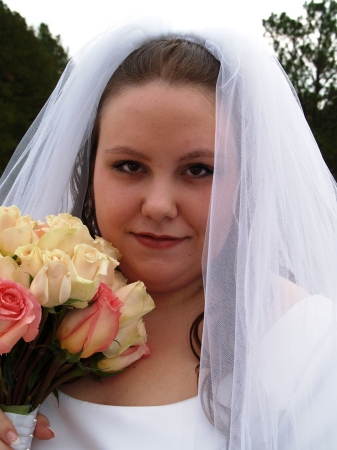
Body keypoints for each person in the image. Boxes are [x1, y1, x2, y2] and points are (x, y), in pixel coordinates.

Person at [0, 17, 337, 450]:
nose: (159, 205)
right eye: (130, 166)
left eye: (199, 170)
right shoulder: (25, 305)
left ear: (246, 182)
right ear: (89, 171)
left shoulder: (308, 345)